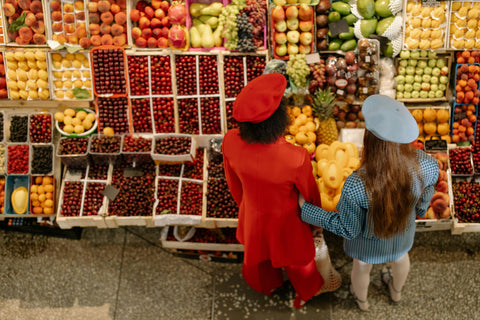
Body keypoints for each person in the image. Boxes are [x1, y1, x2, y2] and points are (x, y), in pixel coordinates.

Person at [299, 95, 439, 311]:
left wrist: (307, 210)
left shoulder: (357, 183)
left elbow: (346, 228)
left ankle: (362, 302)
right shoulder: (428, 165)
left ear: (369, 140)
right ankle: (396, 292)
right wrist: (418, 210)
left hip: (367, 244)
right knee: (402, 260)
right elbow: (422, 206)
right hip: (403, 235)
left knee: (362, 268)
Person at [222, 73, 324, 309]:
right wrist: (316, 224)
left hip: (253, 217)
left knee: (258, 260)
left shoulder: (230, 141)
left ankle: (267, 285)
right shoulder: (295, 158)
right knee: (299, 262)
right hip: (287, 222)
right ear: (280, 119)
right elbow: (310, 196)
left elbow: (233, 184)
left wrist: (246, 205)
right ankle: (305, 292)